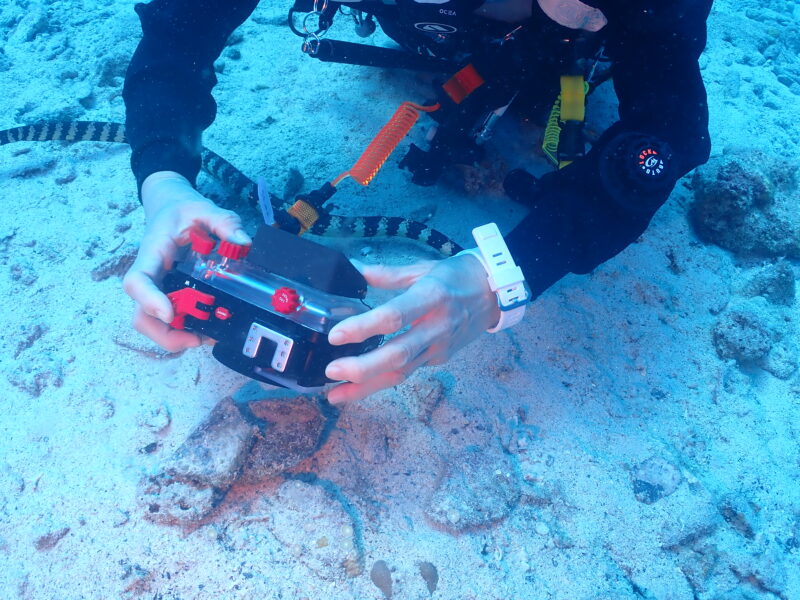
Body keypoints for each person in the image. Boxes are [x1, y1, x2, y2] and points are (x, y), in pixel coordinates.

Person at [122, 0, 712, 404]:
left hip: (555, 51)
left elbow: (671, 127)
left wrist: (506, 275)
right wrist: (164, 179)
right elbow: (177, 35)